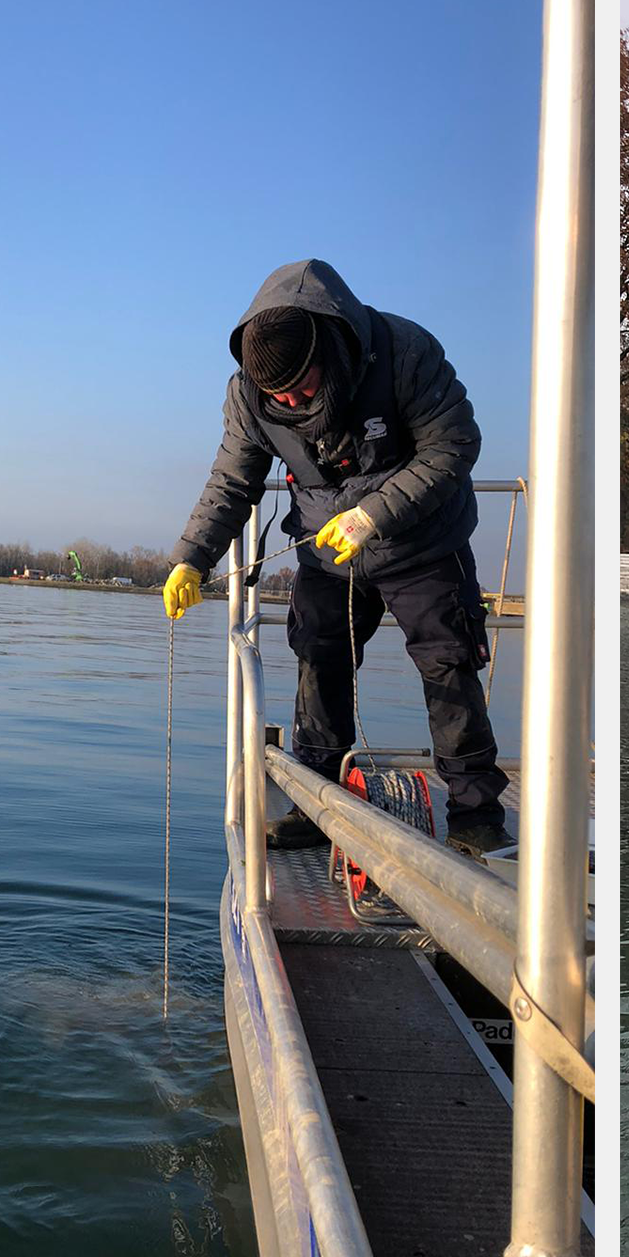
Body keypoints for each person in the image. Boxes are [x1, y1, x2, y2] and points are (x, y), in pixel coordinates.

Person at [161, 260, 509, 855]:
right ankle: (317, 800)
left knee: (448, 666)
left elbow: (454, 445)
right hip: (327, 552)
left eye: (300, 387)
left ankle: (476, 816)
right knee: (317, 658)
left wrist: (374, 514)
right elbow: (231, 480)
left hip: (423, 542)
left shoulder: (406, 352)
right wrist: (193, 558)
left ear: (329, 351)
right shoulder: (249, 392)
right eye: (278, 395)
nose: (290, 399)